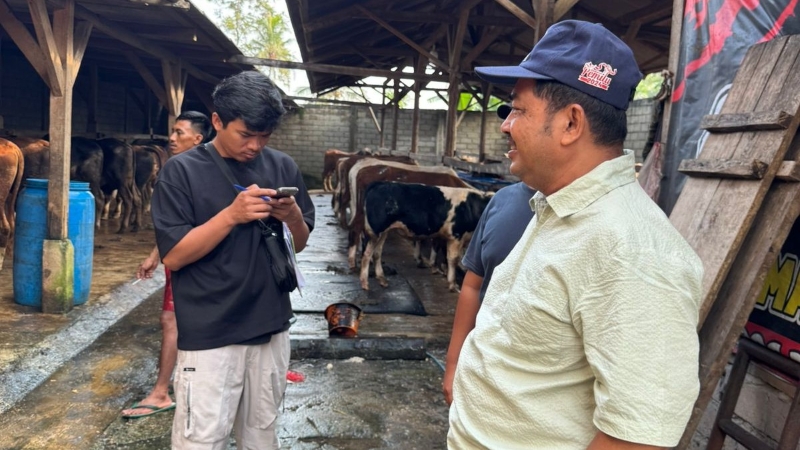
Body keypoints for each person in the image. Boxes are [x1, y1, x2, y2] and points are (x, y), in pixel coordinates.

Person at [448, 20, 703, 449]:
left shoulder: (633, 249)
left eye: (518, 109)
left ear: (570, 124)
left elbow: (637, 437)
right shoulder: (557, 209)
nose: (504, 124)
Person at [151, 71, 315, 449]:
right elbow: (174, 256)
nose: (255, 146)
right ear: (217, 122)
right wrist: (231, 216)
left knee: (261, 436)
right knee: (202, 439)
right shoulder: (181, 172)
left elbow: (300, 243)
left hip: (271, 327)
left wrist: (290, 215)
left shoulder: (283, 166)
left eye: (265, 136)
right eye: (245, 135)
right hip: (210, 333)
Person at [121, 111, 212, 419]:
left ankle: (161, 392)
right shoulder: (199, 168)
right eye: (172, 132)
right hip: (188, 257)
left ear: (198, 138)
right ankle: (185, 383)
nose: (171, 138)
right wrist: (154, 255)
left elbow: (188, 226)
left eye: (179, 132)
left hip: (190, 259)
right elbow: (177, 224)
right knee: (179, 320)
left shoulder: (186, 170)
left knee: (171, 321)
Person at [442, 169, 535, 405]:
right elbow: (473, 286)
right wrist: (453, 363)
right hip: (481, 374)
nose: (505, 129)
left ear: (571, 129)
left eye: (516, 127)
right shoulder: (502, 200)